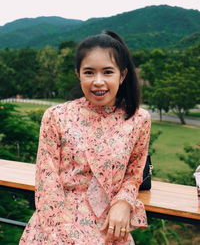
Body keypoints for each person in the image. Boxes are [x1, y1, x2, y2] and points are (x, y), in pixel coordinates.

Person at [19, 30, 151, 245]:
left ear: (123, 75)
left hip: (109, 225)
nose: (98, 81)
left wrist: (124, 203)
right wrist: (61, 233)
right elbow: (47, 180)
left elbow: (134, 173)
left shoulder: (139, 119)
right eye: (89, 72)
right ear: (78, 74)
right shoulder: (56, 116)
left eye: (108, 72)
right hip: (57, 226)